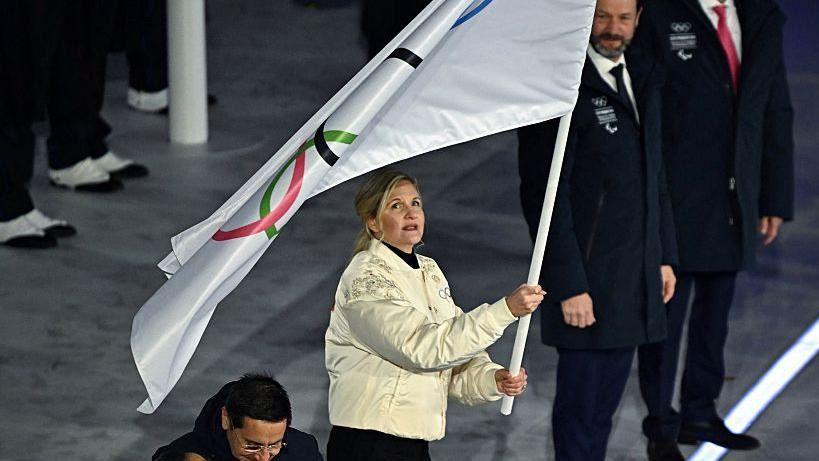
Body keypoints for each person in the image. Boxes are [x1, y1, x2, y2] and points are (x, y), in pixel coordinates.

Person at [631, 0, 794, 458]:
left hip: (734, 195)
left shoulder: (759, 14)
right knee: (666, 319)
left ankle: (700, 412)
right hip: (675, 197)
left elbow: (774, 106)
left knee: (714, 318)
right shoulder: (661, 12)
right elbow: (645, 104)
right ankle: (661, 426)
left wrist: (772, 197)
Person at [517, 0, 678, 459]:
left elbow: (655, 178)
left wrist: (663, 255)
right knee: (579, 410)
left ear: (638, 21)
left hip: (633, 277)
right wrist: (568, 284)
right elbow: (543, 199)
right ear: (586, 17)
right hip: (585, 285)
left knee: (603, 409)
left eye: (623, 18)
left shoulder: (642, 76)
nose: (612, 28)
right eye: (603, 16)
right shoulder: (561, 92)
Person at [325, 169, 543, 460]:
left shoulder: (429, 271)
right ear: (373, 223)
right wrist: (505, 311)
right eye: (396, 206)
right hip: (370, 443)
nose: (410, 213)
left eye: (415, 203)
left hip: (412, 443)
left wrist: (492, 379)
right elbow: (423, 349)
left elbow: (452, 357)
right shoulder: (366, 280)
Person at [153, 374, 323, 461]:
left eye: (274, 445)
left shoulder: (303, 452)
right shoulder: (189, 457)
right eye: (252, 445)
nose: (263, 458)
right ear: (226, 419)